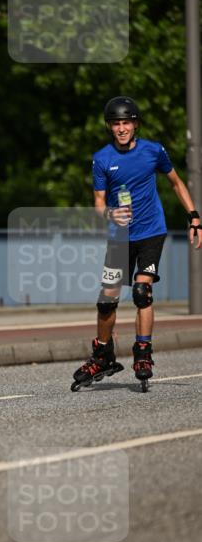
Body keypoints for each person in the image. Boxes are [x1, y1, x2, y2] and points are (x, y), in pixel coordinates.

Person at [72, 95, 201, 391]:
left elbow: (176, 183)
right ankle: (102, 355)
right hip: (120, 237)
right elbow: (98, 203)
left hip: (151, 232)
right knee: (106, 301)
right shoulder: (102, 158)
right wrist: (109, 213)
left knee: (142, 292)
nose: (121, 128)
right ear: (109, 127)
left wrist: (194, 217)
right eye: (116, 123)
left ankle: (143, 352)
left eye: (126, 122)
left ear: (135, 124)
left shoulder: (153, 151)